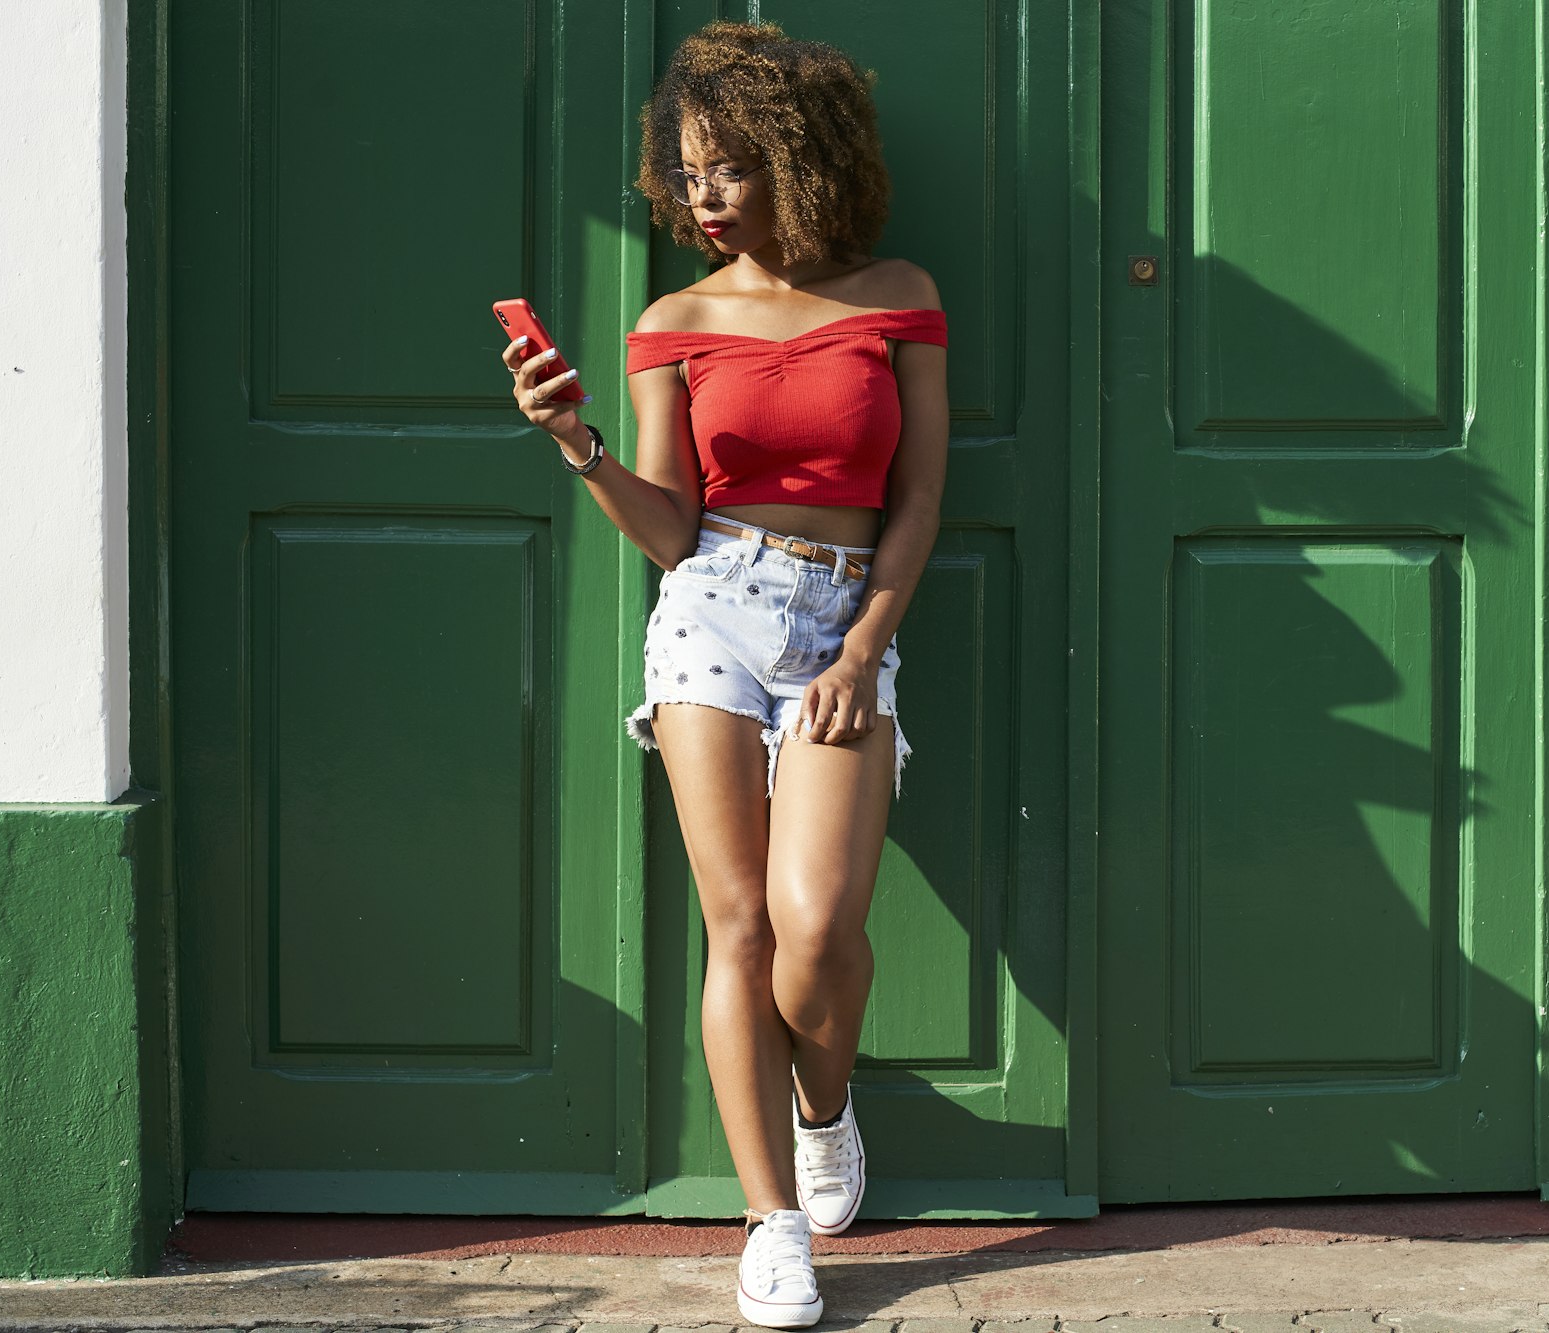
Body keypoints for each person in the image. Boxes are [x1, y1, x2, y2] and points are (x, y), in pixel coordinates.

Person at [499, 18, 948, 1331]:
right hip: (711, 612)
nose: (700, 192)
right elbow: (669, 527)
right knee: (739, 926)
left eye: (727, 165)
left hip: (841, 616)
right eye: (688, 169)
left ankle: (825, 1101)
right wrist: (578, 444)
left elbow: (920, 496)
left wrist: (866, 645)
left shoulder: (899, 294)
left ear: (797, 159)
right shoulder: (673, 321)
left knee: (817, 935)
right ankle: (772, 1222)